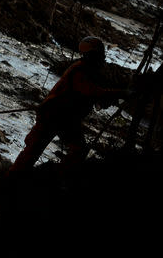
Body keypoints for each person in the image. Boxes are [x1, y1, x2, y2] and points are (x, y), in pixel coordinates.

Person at [8, 36, 130, 173]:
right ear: (91, 54)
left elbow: (94, 94)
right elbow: (91, 91)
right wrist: (120, 93)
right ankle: (12, 180)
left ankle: (54, 176)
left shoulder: (88, 70)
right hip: (54, 115)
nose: (101, 57)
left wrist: (111, 96)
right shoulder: (80, 71)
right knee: (32, 152)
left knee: (77, 150)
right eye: (98, 54)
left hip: (65, 117)